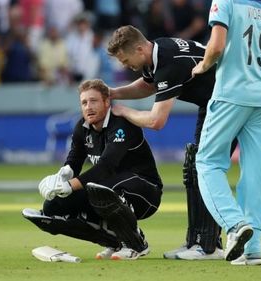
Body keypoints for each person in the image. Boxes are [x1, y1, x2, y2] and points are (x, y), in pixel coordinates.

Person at [107, 25, 237, 260]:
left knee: (204, 168)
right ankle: (197, 241)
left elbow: (157, 121)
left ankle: (208, 246)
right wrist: (114, 92)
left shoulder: (169, 63)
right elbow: (149, 85)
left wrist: (124, 111)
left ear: (138, 48)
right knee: (195, 165)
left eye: (126, 60)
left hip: (227, 105)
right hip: (214, 104)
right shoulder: (158, 48)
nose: (126, 66)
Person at [191, 0, 261, 266]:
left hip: (231, 94)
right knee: (255, 169)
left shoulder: (225, 2)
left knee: (207, 162)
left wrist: (202, 66)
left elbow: (217, 45)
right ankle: (253, 248)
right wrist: (260, 82)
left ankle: (235, 225)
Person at [22, 79, 163, 260]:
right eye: (84, 103)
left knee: (100, 190)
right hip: (107, 189)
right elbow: (74, 160)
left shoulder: (121, 125)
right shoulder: (82, 127)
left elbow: (106, 166)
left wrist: (71, 185)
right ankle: (113, 241)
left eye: (94, 101)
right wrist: (63, 175)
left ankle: (135, 244)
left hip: (146, 192)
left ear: (106, 102)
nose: (88, 107)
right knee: (53, 206)